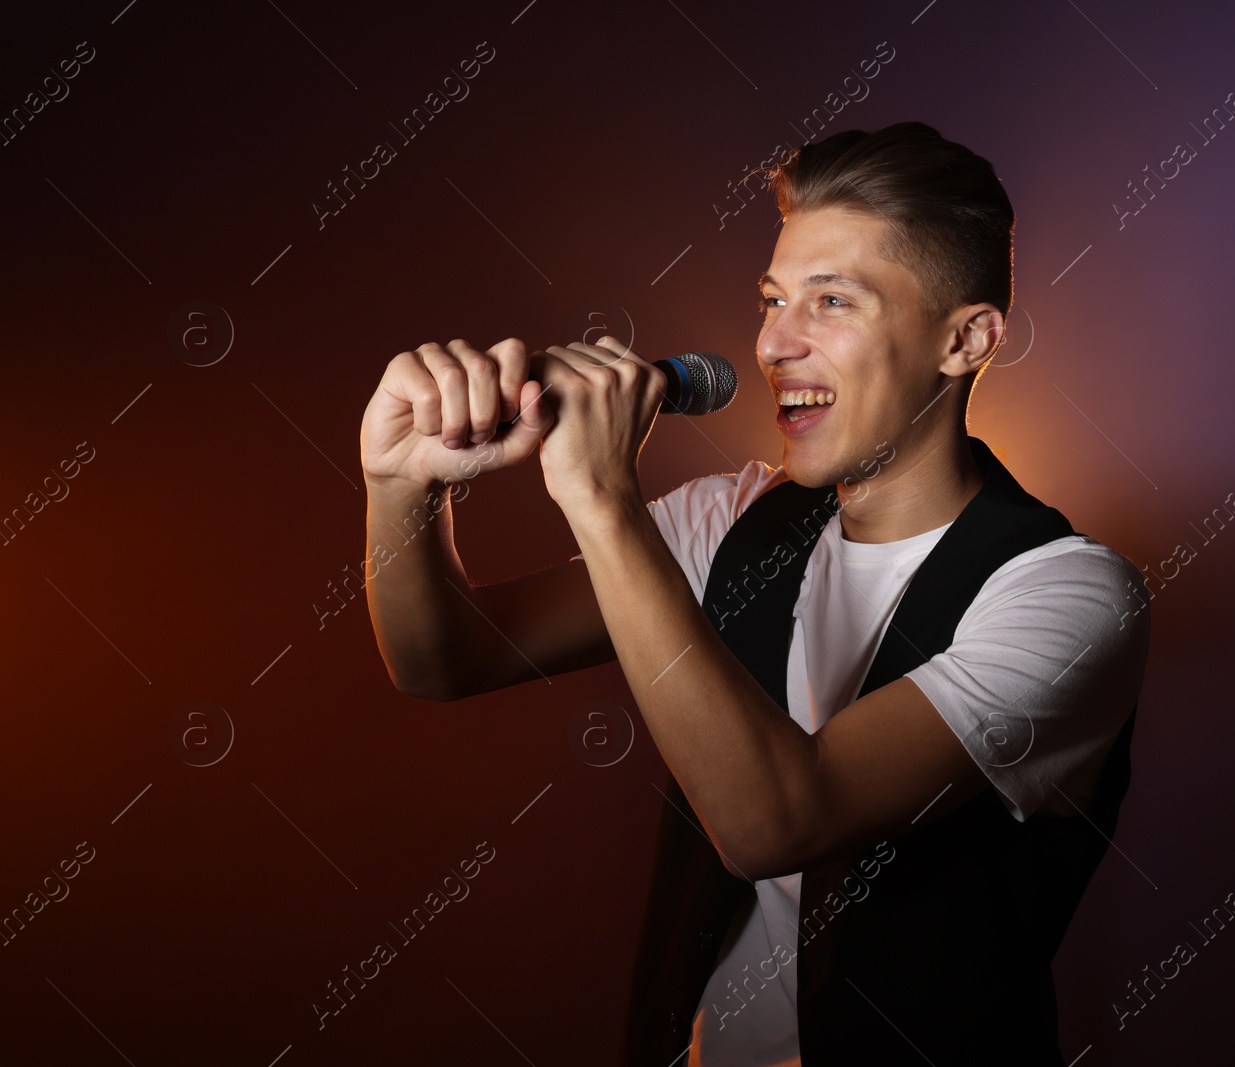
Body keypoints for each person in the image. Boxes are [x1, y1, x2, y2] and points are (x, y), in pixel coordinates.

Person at [359, 121, 1150, 1066]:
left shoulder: (1070, 594)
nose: (775, 343)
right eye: (773, 300)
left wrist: (601, 498)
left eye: (832, 301)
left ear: (966, 338)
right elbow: (446, 658)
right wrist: (400, 487)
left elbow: (774, 822)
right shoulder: (732, 519)